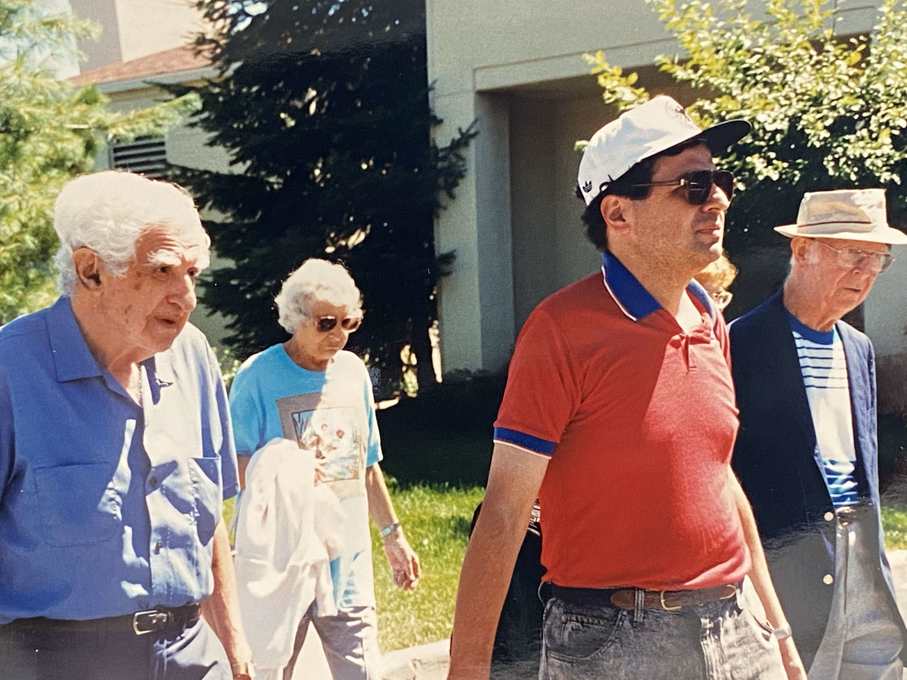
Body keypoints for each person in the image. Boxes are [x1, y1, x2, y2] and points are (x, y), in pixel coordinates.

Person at [448, 95, 804, 680]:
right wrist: (467, 669)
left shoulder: (707, 315)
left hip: (739, 629)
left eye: (720, 181)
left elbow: (719, 479)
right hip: (615, 642)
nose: (717, 199)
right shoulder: (561, 330)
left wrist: (778, 633)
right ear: (617, 213)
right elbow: (505, 512)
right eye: (693, 185)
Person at [0, 171, 253, 679]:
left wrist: (236, 652)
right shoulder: (11, 369)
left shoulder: (193, 356)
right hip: (55, 661)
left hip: (191, 651)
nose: (186, 296)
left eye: (192, 273)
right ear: (91, 270)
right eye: (162, 271)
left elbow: (207, 528)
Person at [730, 188, 907, 680]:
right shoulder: (740, 342)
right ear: (802, 249)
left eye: (878, 258)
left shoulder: (858, 348)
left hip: (864, 568)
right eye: (852, 254)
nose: (866, 272)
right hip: (791, 566)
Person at [228, 258, 421, 680]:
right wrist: (288, 474)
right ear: (295, 318)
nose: (339, 335)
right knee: (270, 671)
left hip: (347, 561)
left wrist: (393, 537)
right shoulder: (257, 376)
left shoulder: (353, 373)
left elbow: (366, 464)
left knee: (362, 672)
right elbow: (234, 466)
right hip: (281, 564)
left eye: (348, 323)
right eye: (326, 323)